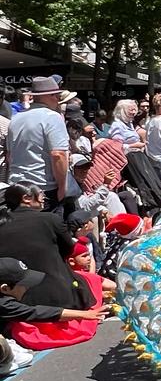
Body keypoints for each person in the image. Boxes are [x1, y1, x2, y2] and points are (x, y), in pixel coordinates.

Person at [0, 183, 96, 311]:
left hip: (13, 295)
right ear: (27, 198)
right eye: (41, 193)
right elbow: (68, 249)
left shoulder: (2, 224)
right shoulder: (51, 219)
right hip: (56, 292)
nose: (44, 197)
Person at [5, 76, 70, 214]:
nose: (58, 99)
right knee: (47, 231)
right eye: (56, 95)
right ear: (48, 96)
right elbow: (58, 155)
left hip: (16, 186)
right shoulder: (52, 117)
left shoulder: (16, 119)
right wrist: (62, 187)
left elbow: (9, 155)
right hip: (43, 188)